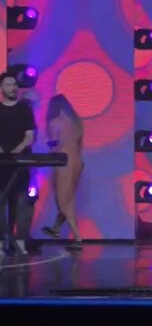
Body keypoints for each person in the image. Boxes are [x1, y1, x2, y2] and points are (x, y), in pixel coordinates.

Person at [41, 94, 85, 250]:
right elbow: (80, 144)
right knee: (68, 197)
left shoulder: (54, 122)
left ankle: (77, 238)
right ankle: (56, 228)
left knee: (63, 200)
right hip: (77, 159)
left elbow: (55, 145)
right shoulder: (77, 122)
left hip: (63, 160)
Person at [0, 72, 36, 255]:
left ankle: (20, 241)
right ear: (1, 88)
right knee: (1, 202)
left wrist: (18, 149)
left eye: (14, 84)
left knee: (22, 201)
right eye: (8, 84)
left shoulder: (24, 109)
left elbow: (29, 136)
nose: (12, 88)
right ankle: (2, 242)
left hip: (21, 162)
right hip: (1, 164)